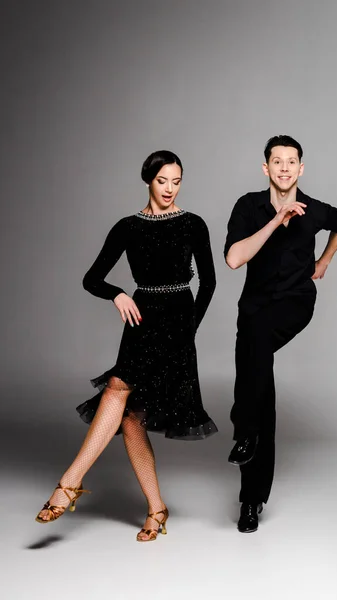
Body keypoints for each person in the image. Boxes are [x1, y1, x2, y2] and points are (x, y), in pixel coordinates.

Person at [35, 150, 217, 542]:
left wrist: (190, 330)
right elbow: (91, 278)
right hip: (141, 318)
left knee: (120, 393)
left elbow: (210, 284)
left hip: (178, 324)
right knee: (129, 413)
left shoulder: (193, 224)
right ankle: (156, 509)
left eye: (177, 181)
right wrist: (118, 294)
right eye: (162, 180)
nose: (169, 188)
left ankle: (68, 485)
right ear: (147, 180)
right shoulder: (127, 227)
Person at [224, 135, 337, 533]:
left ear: (301, 168)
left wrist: (325, 260)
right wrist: (276, 220)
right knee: (260, 383)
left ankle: (243, 434)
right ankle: (251, 500)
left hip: (295, 304)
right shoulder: (249, 206)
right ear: (266, 169)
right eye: (276, 162)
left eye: (290, 161)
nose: (283, 168)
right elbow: (233, 259)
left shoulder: (314, 210)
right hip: (254, 308)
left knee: (254, 353)